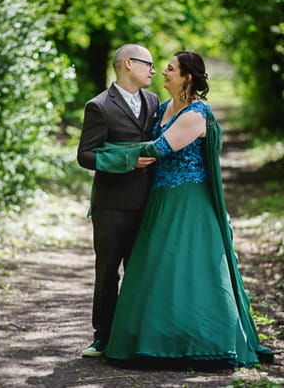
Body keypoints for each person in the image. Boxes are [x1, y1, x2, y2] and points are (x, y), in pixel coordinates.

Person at [102, 51, 273, 366]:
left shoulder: (196, 115)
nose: (163, 73)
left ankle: (197, 343)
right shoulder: (164, 107)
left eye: (169, 69)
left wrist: (105, 154)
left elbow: (158, 149)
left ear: (187, 77)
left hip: (189, 201)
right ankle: (148, 340)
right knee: (153, 269)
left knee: (187, 268)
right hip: (159, 199)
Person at [77, 44, 159, 357]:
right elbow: (85, 155)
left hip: (150, 201)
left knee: (141, 271)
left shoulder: (153, 101)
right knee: (108, 271)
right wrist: (127, 158)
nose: (153, 70)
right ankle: (102, 336)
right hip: (111, 205)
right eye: (148, 64)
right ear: (128, 64)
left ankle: (136, 335)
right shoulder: (98, 105)